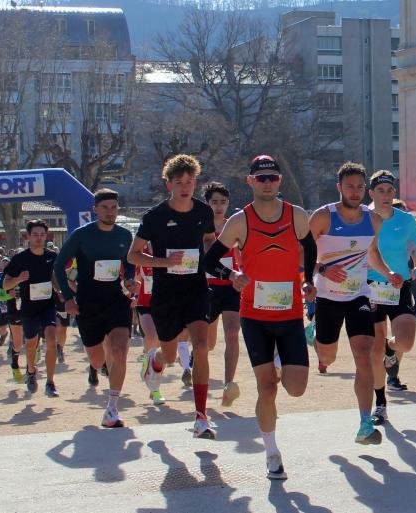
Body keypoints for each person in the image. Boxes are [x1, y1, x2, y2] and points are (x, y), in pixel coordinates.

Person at [202, 154, 317, 480]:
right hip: (254, 314)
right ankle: (272, 453)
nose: (268, 183)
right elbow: (210, 261)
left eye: (273, 177)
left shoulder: (296, 215)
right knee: (267, 388)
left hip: (290, 312)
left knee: (295, 388)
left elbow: (310, 247)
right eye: (261, 178)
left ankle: (281, 361)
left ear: (279, 181)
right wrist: (233, 274)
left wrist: (309, 279)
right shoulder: (240, 221)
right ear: (250, 181)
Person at [309, 162, 403, 445]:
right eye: (349, 186)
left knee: (364, 353)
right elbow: (303, 255)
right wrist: (322, 270)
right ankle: (313, 334)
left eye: (360, 187)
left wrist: (388, 273)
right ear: (339, 187)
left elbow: (372, 253)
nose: (355, 191)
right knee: (327, 357)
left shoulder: (373, 220)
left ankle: (364, 423)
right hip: (327, 297)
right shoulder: (322, 217)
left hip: (359, 296)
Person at [128, 154, 218, 439]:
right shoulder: (155, 216)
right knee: (168, 355)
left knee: (201, 345)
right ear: (169, 184)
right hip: (165, 293)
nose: (184, 187)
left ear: (195, 183)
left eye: (189, 182)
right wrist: (164, 263)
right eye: (179, 182)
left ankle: (201, 417)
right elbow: (133, 254)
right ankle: (153, 362)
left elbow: (207, 238)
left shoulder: (204, 212)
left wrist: (210, 252)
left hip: (196, 289)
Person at [55, 189, 138, 427]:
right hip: (88, 303)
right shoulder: (81, 235)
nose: (110, 212)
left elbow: (129, 264)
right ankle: (97, 367)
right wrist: (68, 298)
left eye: (114, 208)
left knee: (120, 349)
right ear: (95, 210)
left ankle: (112, 409)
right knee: (96, 358)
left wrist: (130, 279)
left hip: (116, 299)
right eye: (105, 208)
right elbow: (60, 265)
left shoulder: (124, 234)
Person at [365, 170, 416, 424]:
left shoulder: (404, 219)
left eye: (390, 191)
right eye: (380, 191)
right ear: (371, 193)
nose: (386, 195)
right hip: (371, 286)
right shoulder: (363, 218)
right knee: (375, 347)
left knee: (406, 341)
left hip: (399, 285)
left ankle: (392, 350)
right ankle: (380, 404)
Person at [4, 220, 62, 397]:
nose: (39, 238)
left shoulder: (52, 256)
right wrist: (19, 279)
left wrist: (60, 290)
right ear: (28, 237)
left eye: (42, 235)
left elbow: (54, 278)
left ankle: (50, 382)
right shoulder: (20, 259)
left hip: (47, 305)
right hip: (29, 307)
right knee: (30, 344)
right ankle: (30, 371)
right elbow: (6, 285)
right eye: (35, 235)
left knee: (52, 339)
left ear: (46, 236)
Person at [203, 181, 242, 407]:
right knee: (207, 344)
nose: (219, 207)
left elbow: (244, 253)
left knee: (232, 334)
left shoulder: (233, 226)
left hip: (230, 287)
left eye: (223, 202)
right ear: (207, 203)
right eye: (214, 202)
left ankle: (229, 384)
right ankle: (192, 366)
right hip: (207, 288)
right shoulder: (200, 228)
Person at [134, 243, 166, 406]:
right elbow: (132, 279)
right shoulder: (140, 254)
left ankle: (148, 365)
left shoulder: (168, 252)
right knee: (152, 337)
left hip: (165, 305)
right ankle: (155, 390)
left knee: (163, 348)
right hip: (144, 304)